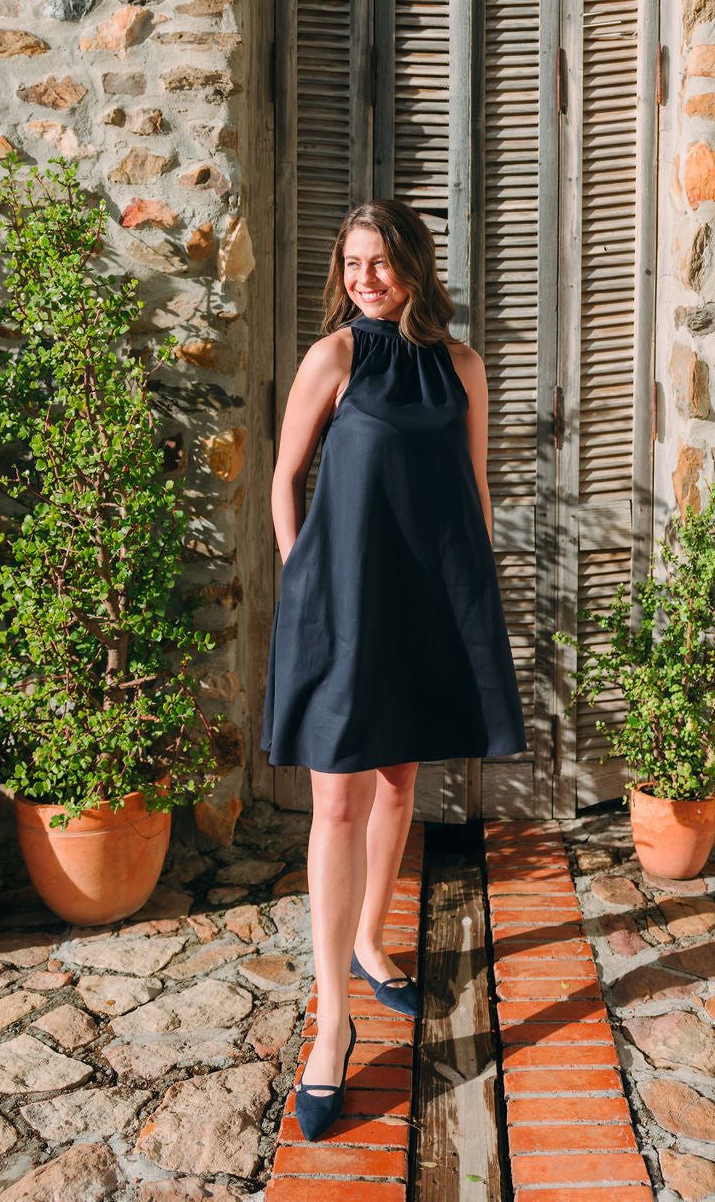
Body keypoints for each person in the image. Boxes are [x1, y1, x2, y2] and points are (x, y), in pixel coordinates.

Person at [262, 198, 527, 1141]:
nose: (365, 277)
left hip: (426, 605)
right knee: (335, 799)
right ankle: (333, 1020)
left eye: (380, 260)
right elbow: (284, 479)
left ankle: (373, 941)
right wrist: (304, 584)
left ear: (415, 264)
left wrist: (475, 606)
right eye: (353, 262)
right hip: (342, 603)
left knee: (398, 781)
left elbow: (474, 489)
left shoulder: (463, 366)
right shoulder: (333, 357)